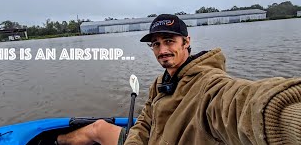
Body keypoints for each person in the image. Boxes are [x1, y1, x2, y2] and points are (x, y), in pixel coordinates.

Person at [57, 14, 301, 145]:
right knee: (98, 127)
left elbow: (240, 104)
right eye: (156, 44)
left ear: (187, 42)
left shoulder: (209, 85)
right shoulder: (159, 83)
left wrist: (286, 115)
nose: (162, 50)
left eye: (170, 41)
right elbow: (143, 123)